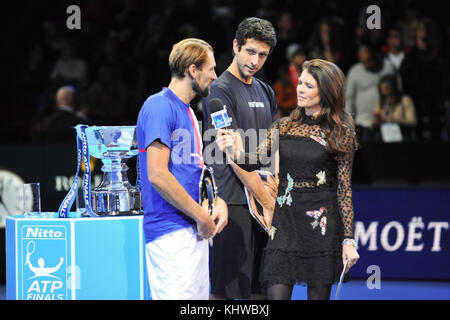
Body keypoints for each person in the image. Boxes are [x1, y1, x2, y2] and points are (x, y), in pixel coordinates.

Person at [217, 59, 360, 300]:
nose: (299, 89)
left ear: (325, 91)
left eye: (308, 85)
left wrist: (348, 240)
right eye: (300, 82)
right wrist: (233, 151)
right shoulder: (284, 126)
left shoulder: (340, 131)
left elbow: (344, 190)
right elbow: (253, 161)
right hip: (284, 221)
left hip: (321, 223)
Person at [136, 38, 228, 300]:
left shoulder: (188, 111)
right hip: (171, 233)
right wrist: (201, 215)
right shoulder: (159, 105)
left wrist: (215, 202)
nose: (214, 75)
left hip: (192, 231)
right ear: (192, 70)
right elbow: (158, 175)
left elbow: (193, 172)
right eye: (210, 69)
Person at [202, 17, 278, 300]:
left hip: (262, 200)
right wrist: (267, 199)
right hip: (232, 202)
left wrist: (272, 191)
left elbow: (273, 147)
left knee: (260, 288)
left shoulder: (266, 91)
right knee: (225, 289)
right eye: (250, 51)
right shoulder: (218, 91)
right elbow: (232, 153)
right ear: (236, 46)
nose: (255, 60)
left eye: (262, 55)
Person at [345, 44, 393, 143]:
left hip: (387, 120)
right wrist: (349, 122)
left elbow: (397, 89)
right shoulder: (355, 72)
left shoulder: (386, 67)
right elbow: (349, 98)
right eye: (364, 61)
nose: (367, 63)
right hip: (364, 122)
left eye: (369, 60)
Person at [372, 74, 417, 141]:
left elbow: (413, 121)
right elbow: (373, 123)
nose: (384, 91)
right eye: (382, 89)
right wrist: (378, 120)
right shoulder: (381, 102)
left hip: (403, 137)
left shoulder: (405, 100)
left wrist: (394, 120)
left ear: (393, 87)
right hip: (385, 137)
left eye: (386, 88)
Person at [272, 44, 307, 117]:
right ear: (292, 58)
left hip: (304, 112)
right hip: (288, 115)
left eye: (302, 55)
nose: (303, 58)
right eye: (299, 55)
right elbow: (277, 104)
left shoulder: (307, 73)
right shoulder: (284, 76)